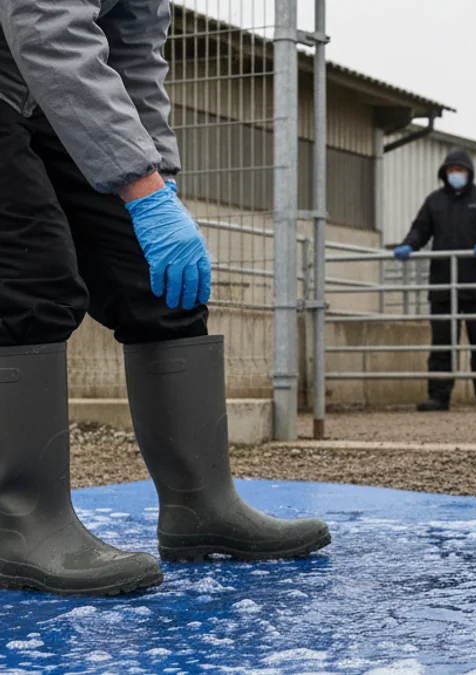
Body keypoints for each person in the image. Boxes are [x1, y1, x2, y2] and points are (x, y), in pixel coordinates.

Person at [0, 0, 330, 596]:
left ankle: (201, 508)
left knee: (159, 283)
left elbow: (132, 57)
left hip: (37, 89)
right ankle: (21, 527)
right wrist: (141, 188)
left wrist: (158, 183)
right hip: (32, 63)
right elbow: (46, 26)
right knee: (30, 276)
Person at [394, 149, 476, 412]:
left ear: (469, 172)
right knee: (442, 343)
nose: (455, 174)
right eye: (451, 170)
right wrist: (408, 245)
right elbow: (420, 228)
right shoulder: (435, 201)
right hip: (443, 285)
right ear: (444, 173)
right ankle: (439, 396)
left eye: (460, 170)